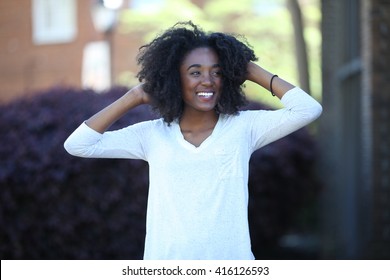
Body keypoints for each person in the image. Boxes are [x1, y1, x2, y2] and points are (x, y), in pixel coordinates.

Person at [64, 21, 322, 260]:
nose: (207, 81)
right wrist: (134, 96)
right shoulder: (151, 134)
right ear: (176, 79)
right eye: (195, 72)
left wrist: (250, 68)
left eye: (217, 72)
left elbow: (307, 109)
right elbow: (78, 144)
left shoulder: (244, 127)